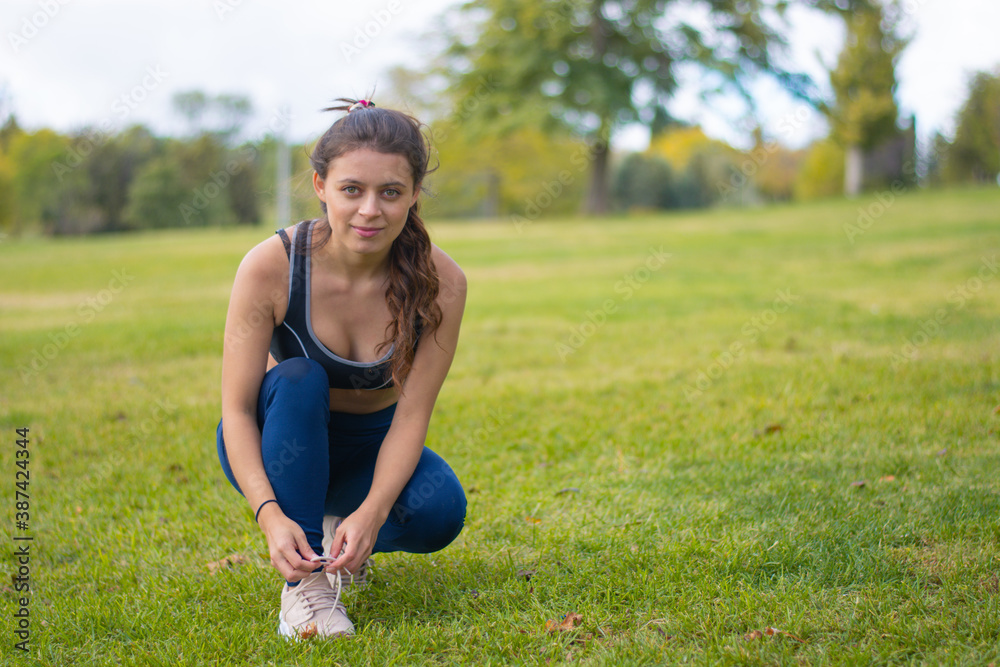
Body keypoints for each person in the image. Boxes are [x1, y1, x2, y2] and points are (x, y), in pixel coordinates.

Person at [215, 97, 468, 639]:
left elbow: (412, 414)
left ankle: (337, 535)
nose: (369, 210)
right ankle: (304, 589)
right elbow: (236, 411)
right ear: (320, 185)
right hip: (280, 439)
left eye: (391, 192)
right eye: (351, 189)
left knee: (440, 510)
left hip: (368, 445)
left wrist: (373, 511)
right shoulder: (271, 266)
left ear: (415, 194)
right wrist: (269, 514)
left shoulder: (443, 284)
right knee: (300, 378)